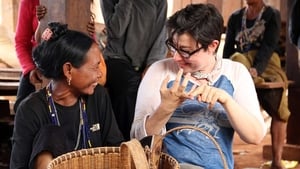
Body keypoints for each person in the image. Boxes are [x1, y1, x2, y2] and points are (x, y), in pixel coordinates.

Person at [130, 3, 266, 169]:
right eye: (173, 47)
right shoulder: (159, 71)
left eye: (185, 51)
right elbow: (137, 139)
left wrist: (226, 101)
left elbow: (255, 136)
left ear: (212, 46)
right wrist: (165, 108)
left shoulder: (235, 73)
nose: (176, 58)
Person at [10, 22, 124, 169]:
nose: (100, 74)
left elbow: (115, 148)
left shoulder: (98, 96)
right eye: (95, 67)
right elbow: (18, 166)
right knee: (50, 134)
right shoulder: (31, 109)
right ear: (68, 70)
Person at [223, 0, 291, 168]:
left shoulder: (271, 15)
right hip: (241, 62)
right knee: (237, 59)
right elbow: (228, 50)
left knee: (279, 106)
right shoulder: (235, 17)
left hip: (267, 64)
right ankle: (224, 157)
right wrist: (222, 70)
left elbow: (269, 45)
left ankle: (276, 161)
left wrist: (257, 70)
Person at [14, 0, 106, 113]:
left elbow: (85, 46)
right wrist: (29, 69)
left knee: (95, 101)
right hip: (39, 66)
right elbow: (21, 42)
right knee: (23, 106)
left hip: (75, 66)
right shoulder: (30, 2)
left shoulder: (80, 3)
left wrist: (89, 34)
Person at [100, 0, 168, 140]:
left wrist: (152, 65)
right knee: (129, 89)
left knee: (158, 91)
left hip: (148, 60)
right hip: (117, 57)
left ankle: (151, 147)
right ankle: (126, 145)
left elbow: (161, 33)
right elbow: (116, 31)